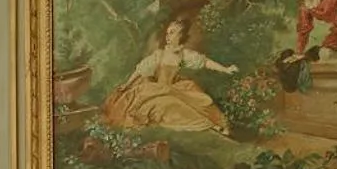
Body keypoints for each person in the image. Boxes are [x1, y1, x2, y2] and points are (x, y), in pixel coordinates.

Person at [100, 18, 239, 134]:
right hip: (156, 88)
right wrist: (128, 84)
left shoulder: (184, 54)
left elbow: (205, 62)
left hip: (174, 87)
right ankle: (210, 125)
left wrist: (225, 69)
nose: (168, 36)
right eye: (167, 33)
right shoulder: (160, 54)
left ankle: (215, 124)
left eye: (172, 33)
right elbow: (141, 70)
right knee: (172, 105)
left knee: (199, 100)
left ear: (181, 35)